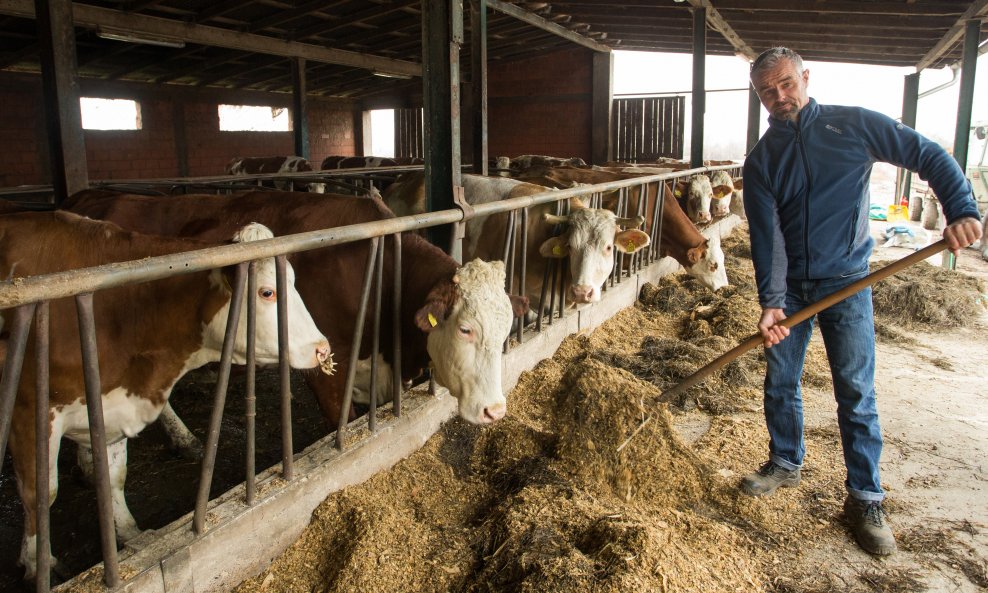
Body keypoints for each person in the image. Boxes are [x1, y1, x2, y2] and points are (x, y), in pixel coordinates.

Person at [740, 47, 983, 556]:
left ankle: (865, 497)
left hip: (847, 283)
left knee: (855, 390)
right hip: (792, 291)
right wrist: (772, 300)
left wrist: (960, 208)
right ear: (759, 95)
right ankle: (785, 462)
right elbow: (768, 238)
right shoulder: (762, 160)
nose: (779, 96)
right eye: (768, 90)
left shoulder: (853, 126)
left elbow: (929, 155)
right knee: (780, 380)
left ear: (805, 77)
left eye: (786, 83)